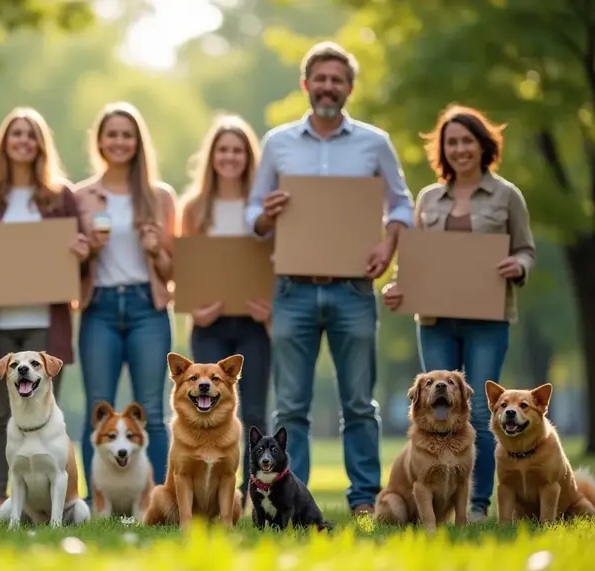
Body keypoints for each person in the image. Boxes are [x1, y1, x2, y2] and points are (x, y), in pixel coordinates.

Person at [244, 41, 415, 516]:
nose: (327, 86)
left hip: (353, 289)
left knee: (359, 403)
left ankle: (364, 498)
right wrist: (266, 216)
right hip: (293, 288)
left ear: (349, 88)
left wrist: (389, 245)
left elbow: (401, 203)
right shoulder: (278, 142)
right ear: (306, 84)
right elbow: (252, 214)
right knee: (290, 406)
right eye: (320, 78)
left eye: (337, 79)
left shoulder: (374, 142)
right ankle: (287, 500)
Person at [382, 104, 536, 522]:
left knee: (481, 411)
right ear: (442, 149)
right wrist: (400, 287)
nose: (460, 149)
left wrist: (518, 265)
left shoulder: (507, 195)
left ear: (483, 145)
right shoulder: (430, 198)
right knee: (437, 407)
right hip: (434, 320)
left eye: (467, 140)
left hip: (488, 318)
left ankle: (478, 504)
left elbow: (526, 249)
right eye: (451, 142)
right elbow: (414, 259)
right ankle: (436, 501)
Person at [0, 106, 90, 515]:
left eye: (31, 135)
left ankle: (57, 503)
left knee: (47, 418)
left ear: (40, 144)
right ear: (4, 145)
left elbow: (79, 266)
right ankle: (1, 500)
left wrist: (81, 253)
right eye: (16, 135)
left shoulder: (61, 197)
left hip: (47, 325)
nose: (23, 142)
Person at [74, 101, 177, 494]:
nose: (119, 141)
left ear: (137, 142)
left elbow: (174, 272)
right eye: (111, 134)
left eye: (126, 135)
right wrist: (90, 252)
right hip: (98, 307)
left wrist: (155, 251)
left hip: (147, 309)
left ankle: (160, 498)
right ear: (99, 141)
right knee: (98, 409)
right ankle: (94, 498)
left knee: (150, 409)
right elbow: (69, 269)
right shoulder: (81, 196)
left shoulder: (160, 197)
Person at [176, 113, 272, 507]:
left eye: (238, 150)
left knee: (254, 410)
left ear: (249, 158)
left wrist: (270, 308)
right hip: (209, 325)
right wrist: (194, 311)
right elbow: (187, 267)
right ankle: (206, 496)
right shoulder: (195, 208)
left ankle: (256, 497)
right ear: (211, 157)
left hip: (255, 323)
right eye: (223, 150)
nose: (230, 157)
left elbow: (276, 260)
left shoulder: (264, 207)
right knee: (204, 405)